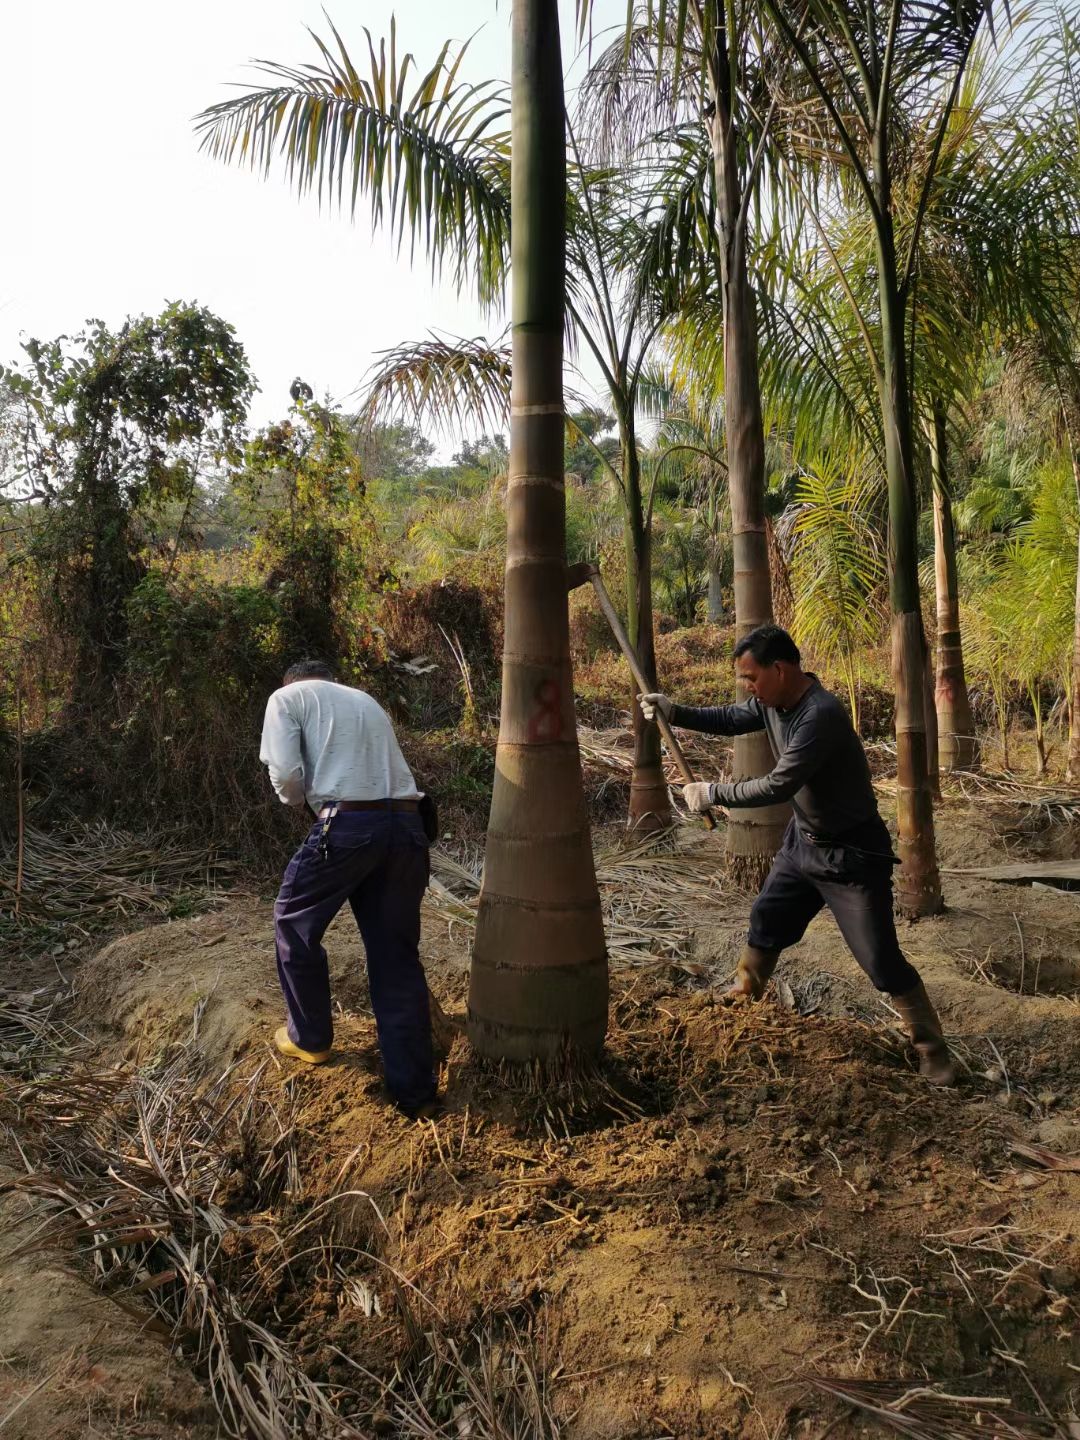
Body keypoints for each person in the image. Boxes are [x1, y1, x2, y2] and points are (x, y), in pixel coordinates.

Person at [639, 624, 955, 1086]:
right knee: (766, 921)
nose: (748, 687)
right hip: (802, 844)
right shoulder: (774, 704)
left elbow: (780, 783)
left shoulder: (819, 715)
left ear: (781, 669)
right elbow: (730, 718)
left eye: (751, 678)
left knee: (880, 960)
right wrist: (675, 711)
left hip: (850, 857)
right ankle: (745, 994)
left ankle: (934, 1051)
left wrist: (714, 792)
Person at [259, 659, 438, 1117]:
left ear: (293, 680)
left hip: (350, 825)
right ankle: (414, 1094)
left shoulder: (287, 698)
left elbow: (287, 775)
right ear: (330, 679)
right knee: (396, 958)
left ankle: (310, 1038)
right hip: (407, 826)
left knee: (293, 922)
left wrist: (299, 803)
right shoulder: (365, 701)